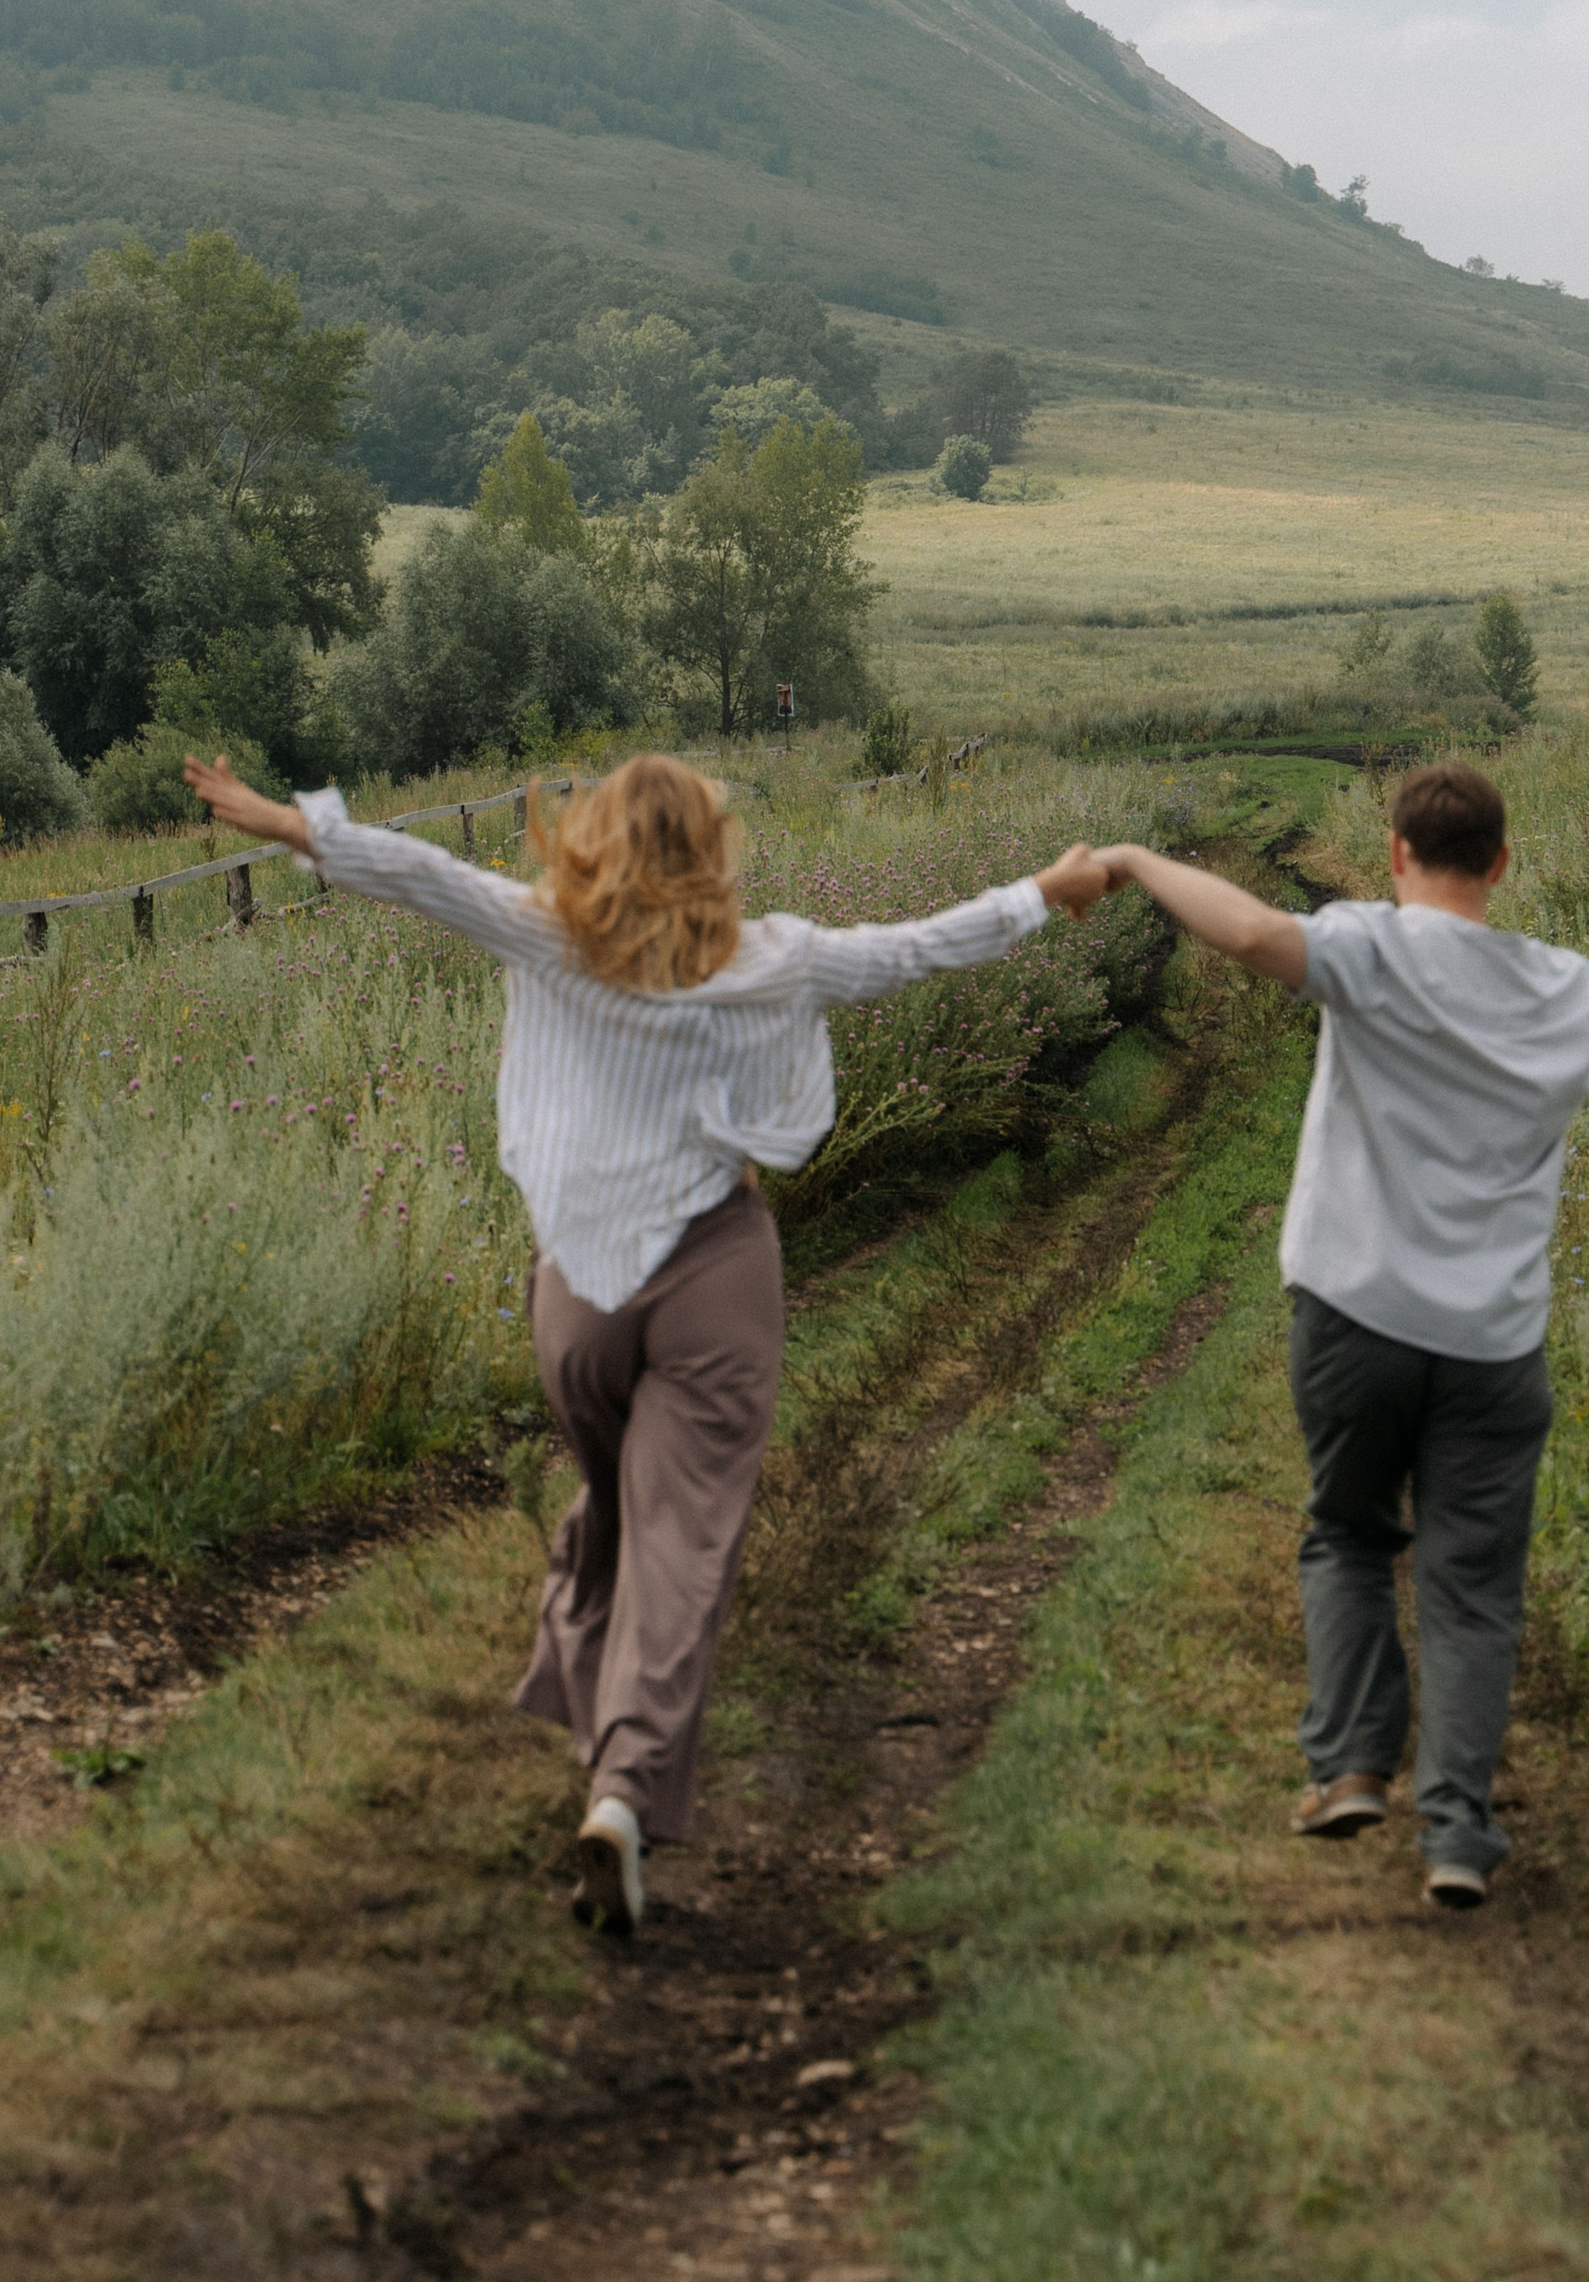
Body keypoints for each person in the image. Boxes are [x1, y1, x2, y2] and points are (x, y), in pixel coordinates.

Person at [185, 747, 1107, 1934]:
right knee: (682, 1538)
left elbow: (411, 871)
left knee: (624, 1508)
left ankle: (602, 1733)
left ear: (594, 842)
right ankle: (621, 1792)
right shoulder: (772, 956)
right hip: (713, 1275)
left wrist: (275, 819)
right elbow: (921, 945)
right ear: (711, 850)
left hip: (579, 1291)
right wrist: (1049, 888)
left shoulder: (542, 931)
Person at [1086, 759, 1589, 1910]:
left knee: (1349, 1534)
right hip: (1493, 1345)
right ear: (1502, 863)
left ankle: (1352, 1763)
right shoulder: (1568, 991)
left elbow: (1254, 934)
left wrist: (1132, 861)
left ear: (1397, 852)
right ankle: (1456, 1832)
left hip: (1354, 1316)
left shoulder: (1366, 946)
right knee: (1470, 1588)